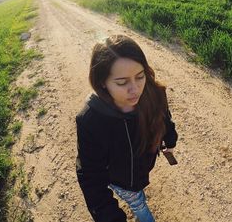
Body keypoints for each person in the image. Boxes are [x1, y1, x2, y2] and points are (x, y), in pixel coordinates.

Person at [75, 35, 178, 222]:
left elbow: (164, 118)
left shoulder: (153, 92)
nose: (135, 89)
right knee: (138, 203)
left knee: (139, 191)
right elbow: (91, 176)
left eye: (140, 76)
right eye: (122, 82)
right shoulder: (90, 121)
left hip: (142, 168)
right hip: (120, 180)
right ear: (102, 83)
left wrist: (170, 140)